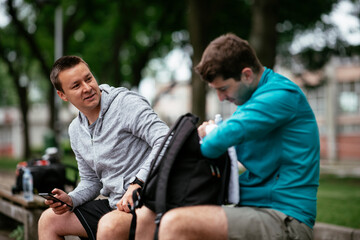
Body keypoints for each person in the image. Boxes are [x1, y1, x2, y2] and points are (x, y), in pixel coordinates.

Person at [108, 33, 320, 240]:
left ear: (246, 74)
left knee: (175, 223)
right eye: (215, 90)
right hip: (253, 206)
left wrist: (210, 131)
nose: (221, 97)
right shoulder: (252, 101)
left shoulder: (280, 96)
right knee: (151, 214)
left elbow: (215, 143)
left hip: (285, 218)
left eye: (224, 88)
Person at [37, 55, 169, 240]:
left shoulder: (125, 104)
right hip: (116, 204)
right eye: (76, 85)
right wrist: (71, 199)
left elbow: (166, 140)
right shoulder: (76, 130)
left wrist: (138, 182)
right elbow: (91, 181)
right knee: (48, 220)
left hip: (148, 201)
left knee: (109, 226)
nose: (87, 88)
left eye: (88, 78)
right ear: (63, 95)